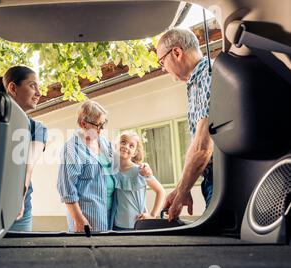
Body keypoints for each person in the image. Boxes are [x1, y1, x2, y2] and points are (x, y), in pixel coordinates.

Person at [57, 100, 152, 232]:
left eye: (103, 124)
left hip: (112, 216)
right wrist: (79, 220)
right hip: (88, 218)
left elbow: (124, 162)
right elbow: (66, 190)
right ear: (83, 123)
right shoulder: (71, 149)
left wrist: (143, 167)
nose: (102, 130)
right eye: (98, 125)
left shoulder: (105, 143)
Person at [156, 28, 214, 221]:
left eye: (161, 61)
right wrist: (182, 188)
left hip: (226, 179)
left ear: (177, 52)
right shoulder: (195, 83)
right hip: (212, 179)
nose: (163, 68)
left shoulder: (209, 75)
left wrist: (181, 192)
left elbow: (202, 147)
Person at [0, 66, 47, 231]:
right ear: (13, 88)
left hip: (20, 211)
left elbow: (27, 168)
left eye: (39, 87)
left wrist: (18, 200)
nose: (39, 93)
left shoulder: (37, 128)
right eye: (32, 86)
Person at [111, 132, 166, 230]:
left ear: (135, 152)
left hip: (138, 225)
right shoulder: (112, 170)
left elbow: (161, 191)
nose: (126, 146)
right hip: (117, 226)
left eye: (131, 146)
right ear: (116, 145)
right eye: (123, 142)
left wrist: (152, 215)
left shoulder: (141, 170)